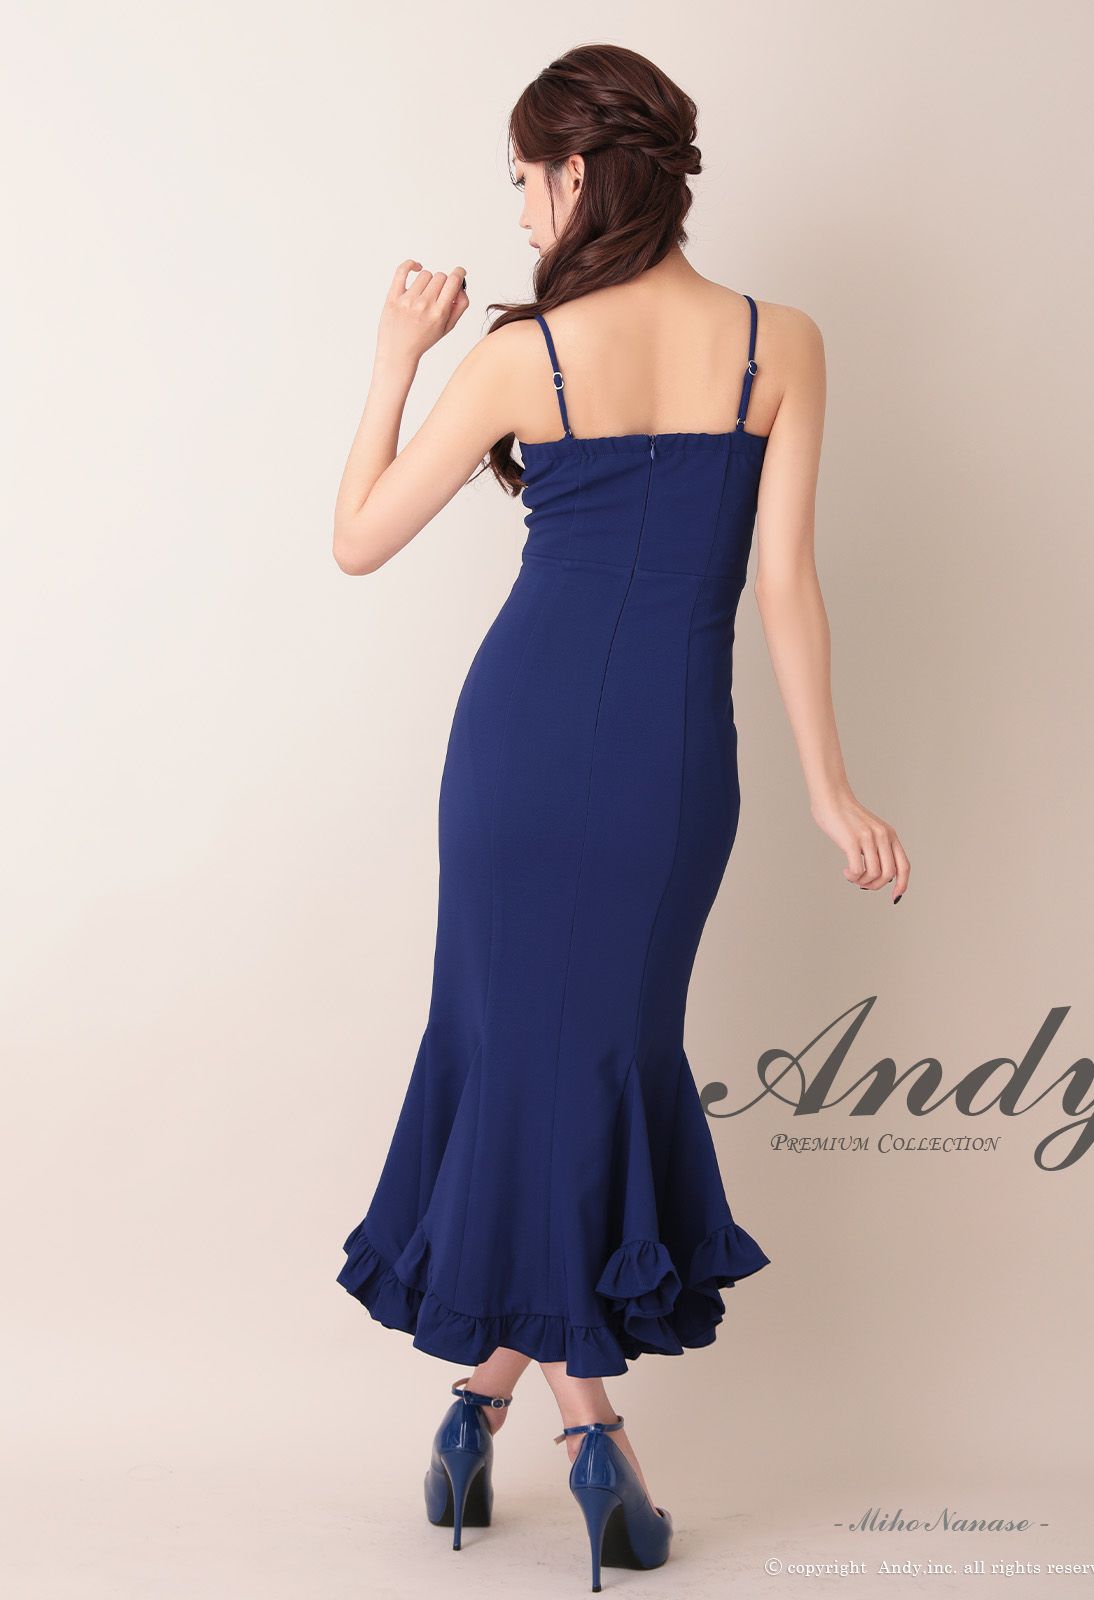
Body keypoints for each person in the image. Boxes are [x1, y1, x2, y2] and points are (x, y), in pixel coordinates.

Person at [332, 42, 909, 1588]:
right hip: (673, 765)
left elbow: (358, 537)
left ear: (578, 173)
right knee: (583, 1065)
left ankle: (521, 1419)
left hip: (514, 752)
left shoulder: (525, 356)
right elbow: (785, 586)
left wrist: (396, 357)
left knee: (534, 1067)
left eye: (525, 179)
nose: (521, 208)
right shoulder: (781, 343)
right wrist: (828, 787)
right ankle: (545, 1424)